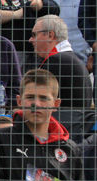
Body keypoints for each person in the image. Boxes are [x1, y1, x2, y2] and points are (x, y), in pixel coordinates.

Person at [30, 14, 94, 143]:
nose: (31, 40)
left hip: (62, 135)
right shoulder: (69, 59)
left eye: (34, 35)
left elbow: (38, 102)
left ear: (50, 36)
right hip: (73, 131)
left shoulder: (56, 61)